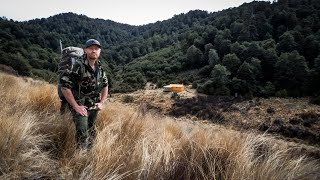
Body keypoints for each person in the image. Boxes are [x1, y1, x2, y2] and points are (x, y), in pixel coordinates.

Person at [59, 39, 108, 149]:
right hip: (80, 105)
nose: (94, 51)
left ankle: (90, 153)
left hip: (93, 105)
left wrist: (102, 102)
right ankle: (81, 158)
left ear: (99, 51)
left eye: (96, 49)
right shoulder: (77, 65)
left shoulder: (99, 67)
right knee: (82, 132)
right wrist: (76, 106)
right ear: (85, 50)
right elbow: (65, 87)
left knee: (92, 130)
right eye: (91, 48)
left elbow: (105, 85)